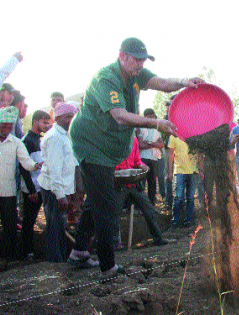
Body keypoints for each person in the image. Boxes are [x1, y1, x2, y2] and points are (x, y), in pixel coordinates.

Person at [68, 37, 204, 277]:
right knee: (107, 207)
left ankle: (78, 252)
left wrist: (184, 82)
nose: (141, 64)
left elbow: (160, 82)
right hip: (91, 145)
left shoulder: (135, 74)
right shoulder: (106, 78)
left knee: (96, 201)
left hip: (108, 148)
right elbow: (120, 116)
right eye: (137, 59)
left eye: (144, 60)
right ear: (122, 56)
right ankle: (108, 266)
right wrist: (156, 122)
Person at [38, 102, 79, 263]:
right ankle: (56, 261)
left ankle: (61, 257)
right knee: (55, 227)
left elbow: (71, 164)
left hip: (61, 189)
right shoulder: (55, 137)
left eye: (73, 116)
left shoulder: (66, 135)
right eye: (68, 116)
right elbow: (55, 170)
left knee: (60, 226)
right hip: (53, 190)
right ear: (59, 118)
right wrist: (61, 195)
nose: (71, 119)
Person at [0, 106, 41, 262]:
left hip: (8, 191)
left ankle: (8, 258)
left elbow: (26, 161)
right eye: (4, 126)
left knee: (10, 225)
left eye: (10, 126)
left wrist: (35, 165)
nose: (7, 129)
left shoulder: (16, 142)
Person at [115, 137, 167, 246]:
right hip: (119, 183)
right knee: (115, 213)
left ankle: (158, 239)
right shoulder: (114, 138)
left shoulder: (133, 139)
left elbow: (137, 161)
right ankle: (114, 244)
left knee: (148, 209)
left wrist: (142, 166)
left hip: (133, 182)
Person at [19, 110, 51, 258]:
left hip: (40, 185)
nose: (47, 125)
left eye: (48, 122)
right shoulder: (27, 141)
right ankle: (27, 251)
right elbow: (24, 167)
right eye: (44, 122)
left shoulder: (39, 139)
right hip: (31, 188)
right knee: (29, 220)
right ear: (35, 121)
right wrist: (31, 190)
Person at [167, 136, 199, 230]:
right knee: (178, 197)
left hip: (193, 171)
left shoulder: (194, 133)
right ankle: (175, 222)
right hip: (179, 171)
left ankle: (188, 221)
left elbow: (200, 153)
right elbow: (170, 154)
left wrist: (201, 170)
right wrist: (169, 172)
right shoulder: (173, 135)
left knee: (190, 198)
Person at [137, 108, 164, 206]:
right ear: (145, 117)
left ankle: (151, 205)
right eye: (149, 117)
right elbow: (140, 145)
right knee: (142, 183)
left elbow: (162, 144)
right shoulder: (141, 128)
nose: (151, 118)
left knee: (152, 183)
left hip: (154, 158)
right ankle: (140, 206)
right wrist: (155, 144)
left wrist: (150, 143)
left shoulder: (156, 129)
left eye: (152, 116)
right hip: (143, 158)